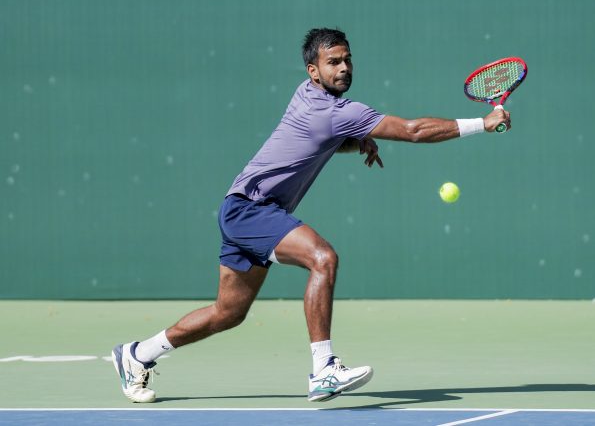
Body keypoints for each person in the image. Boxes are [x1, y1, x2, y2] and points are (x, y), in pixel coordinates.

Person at [111, 28, 510, 403]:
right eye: (333, 62)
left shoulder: (307, 96)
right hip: (252, 210)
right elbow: (412, 130)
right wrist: (484, 123)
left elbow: (320, 139)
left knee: (227, 313)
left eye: (347, 60)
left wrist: (358, 141)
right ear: (313, 71)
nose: (344, 68)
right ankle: (324, 370)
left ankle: (138, 354)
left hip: (240, 209)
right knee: (323, 258)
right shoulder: (339, 112)